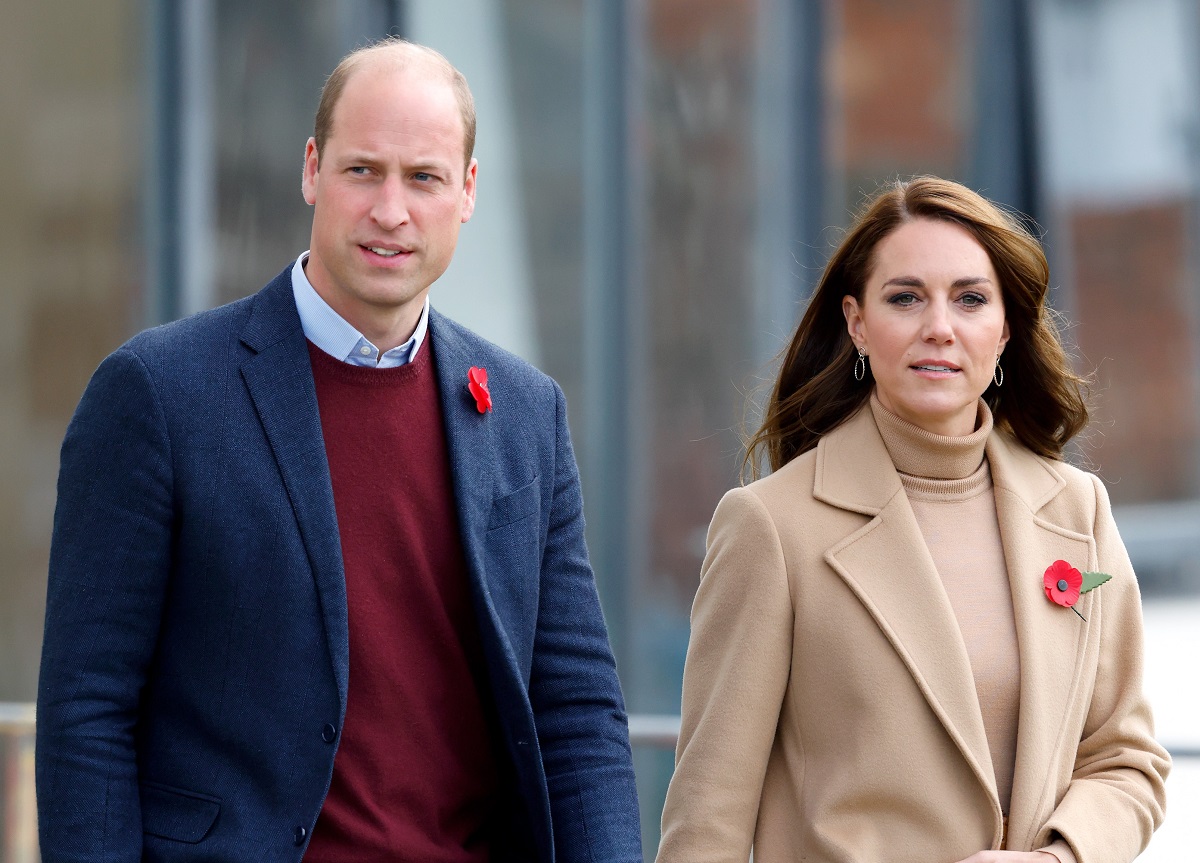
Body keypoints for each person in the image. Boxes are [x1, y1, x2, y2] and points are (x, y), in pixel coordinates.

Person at [36, 38, 641, 863]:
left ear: (467, 193)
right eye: (364, 170)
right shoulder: (158, 393)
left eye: (423, 177)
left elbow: (577, 713)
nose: (391, 209)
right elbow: (87, 706)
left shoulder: (527, 414)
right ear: (313, 169)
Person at [656, 177, 1169, 863]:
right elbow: (707, 821)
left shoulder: (1077, 510)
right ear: (857, 322)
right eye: (905, 297)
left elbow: (1127, 758)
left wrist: (1058, 858)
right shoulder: (771, 527)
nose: (939, 326)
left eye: (970, 298)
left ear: (1005, 327)